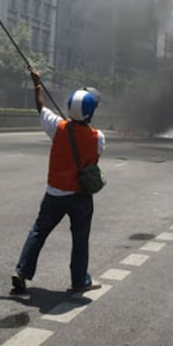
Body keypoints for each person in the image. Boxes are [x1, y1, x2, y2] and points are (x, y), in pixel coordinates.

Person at [11, 68, 105, 294]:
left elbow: (41, 107)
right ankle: (79, 281)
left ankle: (22, 271)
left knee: (38, 231)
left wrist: (37, 83)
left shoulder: (57, 127)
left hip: (54, 193)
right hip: (80, 196)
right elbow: (93, 159)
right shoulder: (97, 137)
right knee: (80, 240)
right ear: (90, 114)